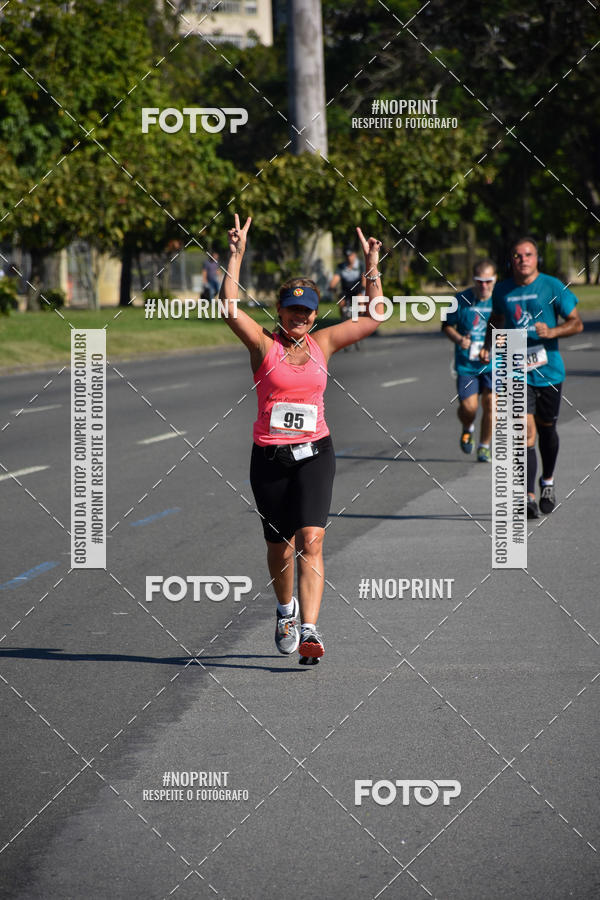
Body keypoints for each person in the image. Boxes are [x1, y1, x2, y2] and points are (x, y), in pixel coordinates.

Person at [220, 214, 384, 663]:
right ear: (279, 311)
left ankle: (310, 628)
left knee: (311, 538)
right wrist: (235, 255)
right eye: (293, 309)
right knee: (280, 546)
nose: (301, 316)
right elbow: (229, 309)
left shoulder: (322, 343)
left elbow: (374, 317)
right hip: (270, 458)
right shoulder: (263, 345)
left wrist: (372, 266)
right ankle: (285, 611)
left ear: (315, 313)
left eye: (308, 310)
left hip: (315, 453)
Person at [482, 236, 583, 518]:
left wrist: (553, 332)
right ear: (510, 260)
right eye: (517, 255)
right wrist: (489, 345)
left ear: (537, 258)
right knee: (524, 431)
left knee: (547, 429)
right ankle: (527, 497)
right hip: (514, 367)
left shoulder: (552, 286)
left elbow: (576, 323)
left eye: (528, 254)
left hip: (548, 370)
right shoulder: (502, 290)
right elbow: (496, 320)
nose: (523, 260)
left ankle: (547, 481)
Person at [442, 259, 497, 462]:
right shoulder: (460, 299)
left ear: (495, 279)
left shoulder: (501, 300)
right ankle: (467, 426)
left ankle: (484, 446)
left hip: (494, 363)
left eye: (488, 281)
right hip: (467, 365)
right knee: (469, 408)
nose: (484, 286)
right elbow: (446, 325)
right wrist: (459, 339)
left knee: (491, 404)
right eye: (479, 281)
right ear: (473, 280)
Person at [329, 247, 366, 349]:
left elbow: (364, 277)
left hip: (357, 289)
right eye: (347, 256)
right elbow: (336, 278)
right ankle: (344, 318)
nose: (349, 258)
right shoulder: (341, 266)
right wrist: (332, 286)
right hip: (346, 290)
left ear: (355, 255)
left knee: (360, 300)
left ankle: (360, 320)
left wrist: (363, 286)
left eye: (351, 255)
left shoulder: (360, 264)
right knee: (341, 303)